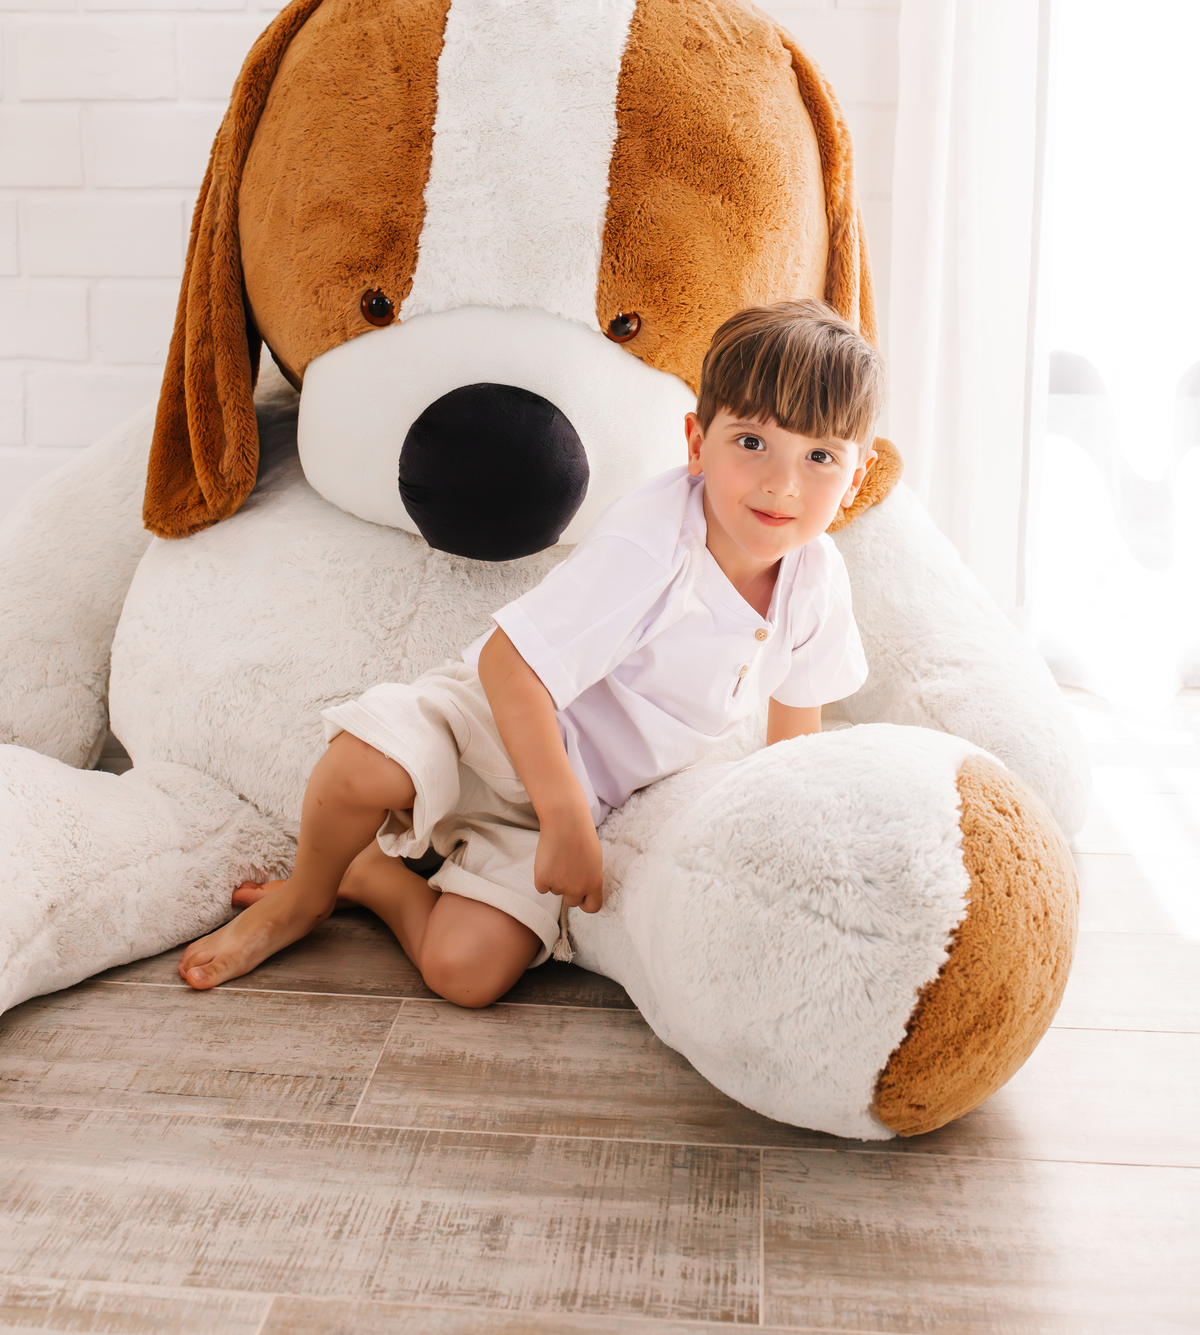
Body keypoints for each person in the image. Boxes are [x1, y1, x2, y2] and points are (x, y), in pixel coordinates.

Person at [178, 299, 884, 1003]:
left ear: (856, 477)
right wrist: (565, 816)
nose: (781, 483)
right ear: (697, 443)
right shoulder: (654, 543)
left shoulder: (814, 582)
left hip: (582, 793)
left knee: (465, 974)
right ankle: (307, 895)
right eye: (752, 442)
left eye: (820, 457)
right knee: (357, 766)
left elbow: (794, 748)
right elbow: (507, 667)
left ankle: (374, 878)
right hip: (496, 723)